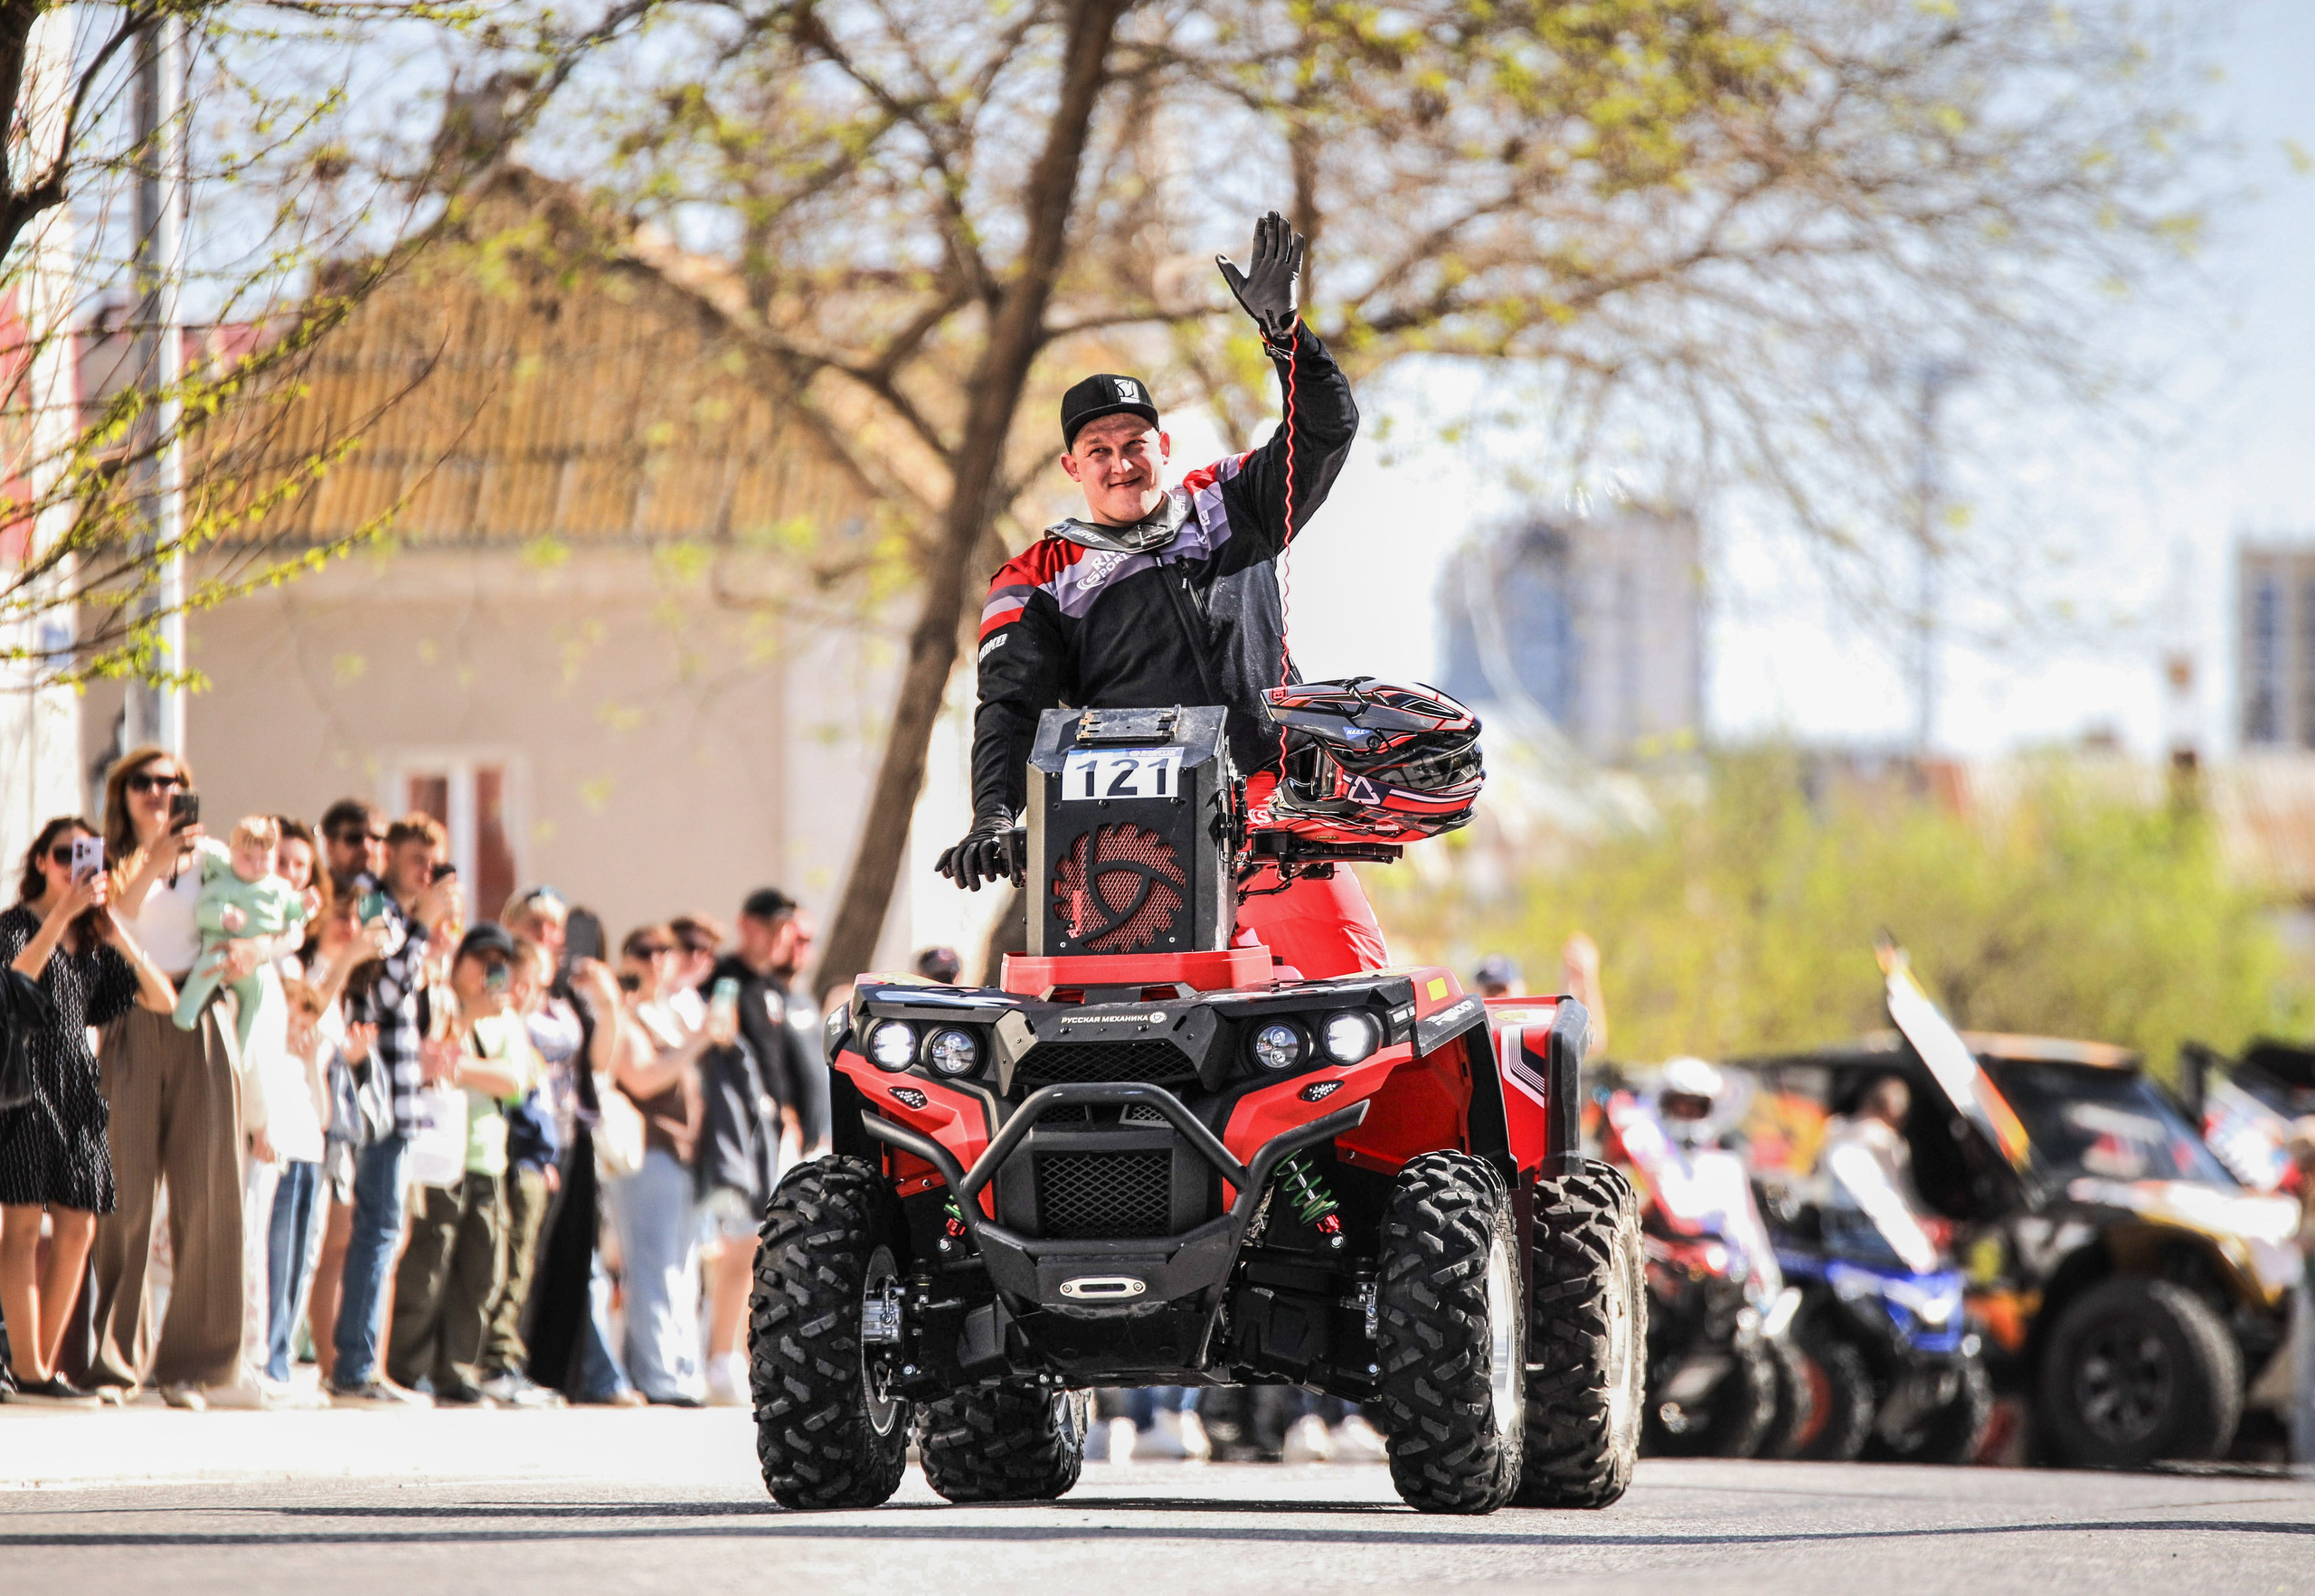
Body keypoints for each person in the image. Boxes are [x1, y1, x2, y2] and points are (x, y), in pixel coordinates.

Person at [940, 212, 1373, 979]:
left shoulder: (1231, 501)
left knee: (1354, 994)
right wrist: (994, 814)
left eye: (1135, 444)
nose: (1121, 464)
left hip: (1275, 807)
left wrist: (1286, 335)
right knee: (1149, 1018)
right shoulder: (1035, 577)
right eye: (1099, 450)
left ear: (1163, 448)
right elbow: (1007, 710)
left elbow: (1325, 431)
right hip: (1135, 831)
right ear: (1073, 467)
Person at [87, 747, 288, 1407]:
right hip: (132, 1018)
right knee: (125, 1194)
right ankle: (116, 1362)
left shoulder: (218, 859)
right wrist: (157, 855)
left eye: (171, 783)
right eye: (144, 783)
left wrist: (258, 948)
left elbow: (277, 912)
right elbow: (114, 917)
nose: (158, 792)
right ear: (123, 794)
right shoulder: (111, 860)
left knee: (209, 1192)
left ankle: (196, 1365)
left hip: (203, 1014)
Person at [1, 819, 178, 1403]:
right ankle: (29, 1368)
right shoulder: (16, 924)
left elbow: (163, 999)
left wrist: (116, 931)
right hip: (24, 1085)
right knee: (22, 1226)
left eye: (87, 857)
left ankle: (39, 1365)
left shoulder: (94, 942)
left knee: (80, 1224)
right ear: (41, 862)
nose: (74, 867)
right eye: (63, 855)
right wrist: (60, 915)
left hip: (77, 1089)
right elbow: (16, 980)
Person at [329, 812, 463, 1406]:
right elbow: (379, 996)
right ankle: (356, 1367)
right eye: (417, 862)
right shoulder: (375, 909)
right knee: (376, 1231)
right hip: (375, 1099)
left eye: (435, 865)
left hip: (403, 1100)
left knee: (388, 1233)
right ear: (391, 859)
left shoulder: (409, 923)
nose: (427, 874)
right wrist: (423, 929)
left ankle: (367, 1365)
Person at [387, 922, 534, 1403]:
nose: (489, 972)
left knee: (481, 1271)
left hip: (487, 1158)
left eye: (500, 964)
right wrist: (467, 1034)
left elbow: (515, 1082)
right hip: (440, 1155)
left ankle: (456, 1369)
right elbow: (429, 1058)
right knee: (427, 1267)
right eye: (481, 960)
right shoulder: (442, 1003)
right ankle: (408, 1367)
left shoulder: (507, 1021)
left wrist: (462, 1066)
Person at [603, 924, 729, 1405]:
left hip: (683, 1157)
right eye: (644, 951)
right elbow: (641, 1078)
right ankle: (657, 1375)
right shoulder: (627, 1015)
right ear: (627, 959)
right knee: (653, 1267)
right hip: (648, 1153)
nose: (656, 960)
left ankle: (679, 1368)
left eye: (664, 951)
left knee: (683, 1270)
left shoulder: (672, 1013)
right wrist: (698, 1042)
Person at [476, 932, 570, 1407]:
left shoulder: (524, 1033)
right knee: (508, 1265)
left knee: (522, 1264)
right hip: (515, 1161)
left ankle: (506, 1356)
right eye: (519, 983)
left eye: (536, 986)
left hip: (535, 1160)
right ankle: (496, 1359)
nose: (526, 994)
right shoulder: (502, 1028)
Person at [172, 815, 310, 1053]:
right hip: (220, 948)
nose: (256, 865)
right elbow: (204, 911)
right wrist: (224, 915)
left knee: (255, 996)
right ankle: (186, 1012)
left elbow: (295, 928)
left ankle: (241, 1052)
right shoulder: (225, 882)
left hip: (258, 969)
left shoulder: (278, 889)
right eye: (248, 858)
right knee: (209, 969)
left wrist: (305, 907)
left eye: (264, 859)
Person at [257, 978, 335, 1393]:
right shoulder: (271, 1056)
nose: (297, 1032)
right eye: (292, 1021)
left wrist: (313, 1066)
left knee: (300, 1262)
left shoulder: (306, 1062)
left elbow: (323, 1117)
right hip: (284, 1162)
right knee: (278, 1258)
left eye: (305, 1025)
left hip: (310, 1161)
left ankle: (283, 1352)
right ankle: (270, 1356)